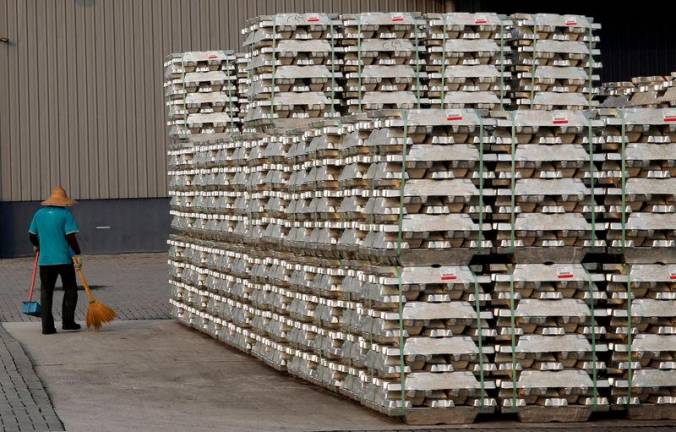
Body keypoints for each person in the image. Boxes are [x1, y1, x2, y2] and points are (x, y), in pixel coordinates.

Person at [28, 186, 83, 335]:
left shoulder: (39, 214)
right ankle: (68, 322)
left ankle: (47, 327)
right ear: (63, 201)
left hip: (45, 261)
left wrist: (38, 246)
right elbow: (71, 237)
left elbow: (32, 235)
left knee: (46, 292)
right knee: (70, 290)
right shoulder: (66, 214)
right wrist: (78, 253)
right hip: (64, 259)